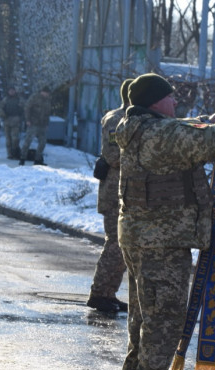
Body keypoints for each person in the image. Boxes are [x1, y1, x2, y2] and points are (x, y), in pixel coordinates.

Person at [116, 73, 215, 370]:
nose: (176, 102)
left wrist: (201, 121)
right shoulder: (163, 133)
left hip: (136, 234)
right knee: (165, 311)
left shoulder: (136, 127)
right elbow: (211, 143)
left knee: (142, 308)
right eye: (171, 98)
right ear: (156, 101)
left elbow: (181, 130)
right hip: (163, 238)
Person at [86, 78, 134, 314]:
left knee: (120, 246)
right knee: (115, 245)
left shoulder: (131, 118)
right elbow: (113, 154)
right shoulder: (118, 119)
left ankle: (107, 293)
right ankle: (99, 293)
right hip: (114, 193)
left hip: (122, 191)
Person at [19, 86, 52, 165]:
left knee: (42, 143)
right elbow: (27, 108)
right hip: (33, 123)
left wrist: (47, 123)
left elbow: (47, 113)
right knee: (28, 141)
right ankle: (22, 159)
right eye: (46, 93)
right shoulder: (34, 97)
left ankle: (37, 160)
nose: (47, 95)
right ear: (42, 92)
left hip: (42, 125)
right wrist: (27, 120)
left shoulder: (47, 100)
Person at [0, 86, 24, 159]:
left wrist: (21, 118)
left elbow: (24, 109)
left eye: (13, 90)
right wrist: (3, 115)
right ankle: (9, 154)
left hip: (16, 120)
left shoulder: (19, 99)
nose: (12, 92)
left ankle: (15, 153)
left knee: (15, 139)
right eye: (10, 90)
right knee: (8, 139)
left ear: (15, 91)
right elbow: (0, 108)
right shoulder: (5, 99)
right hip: (7, 120)